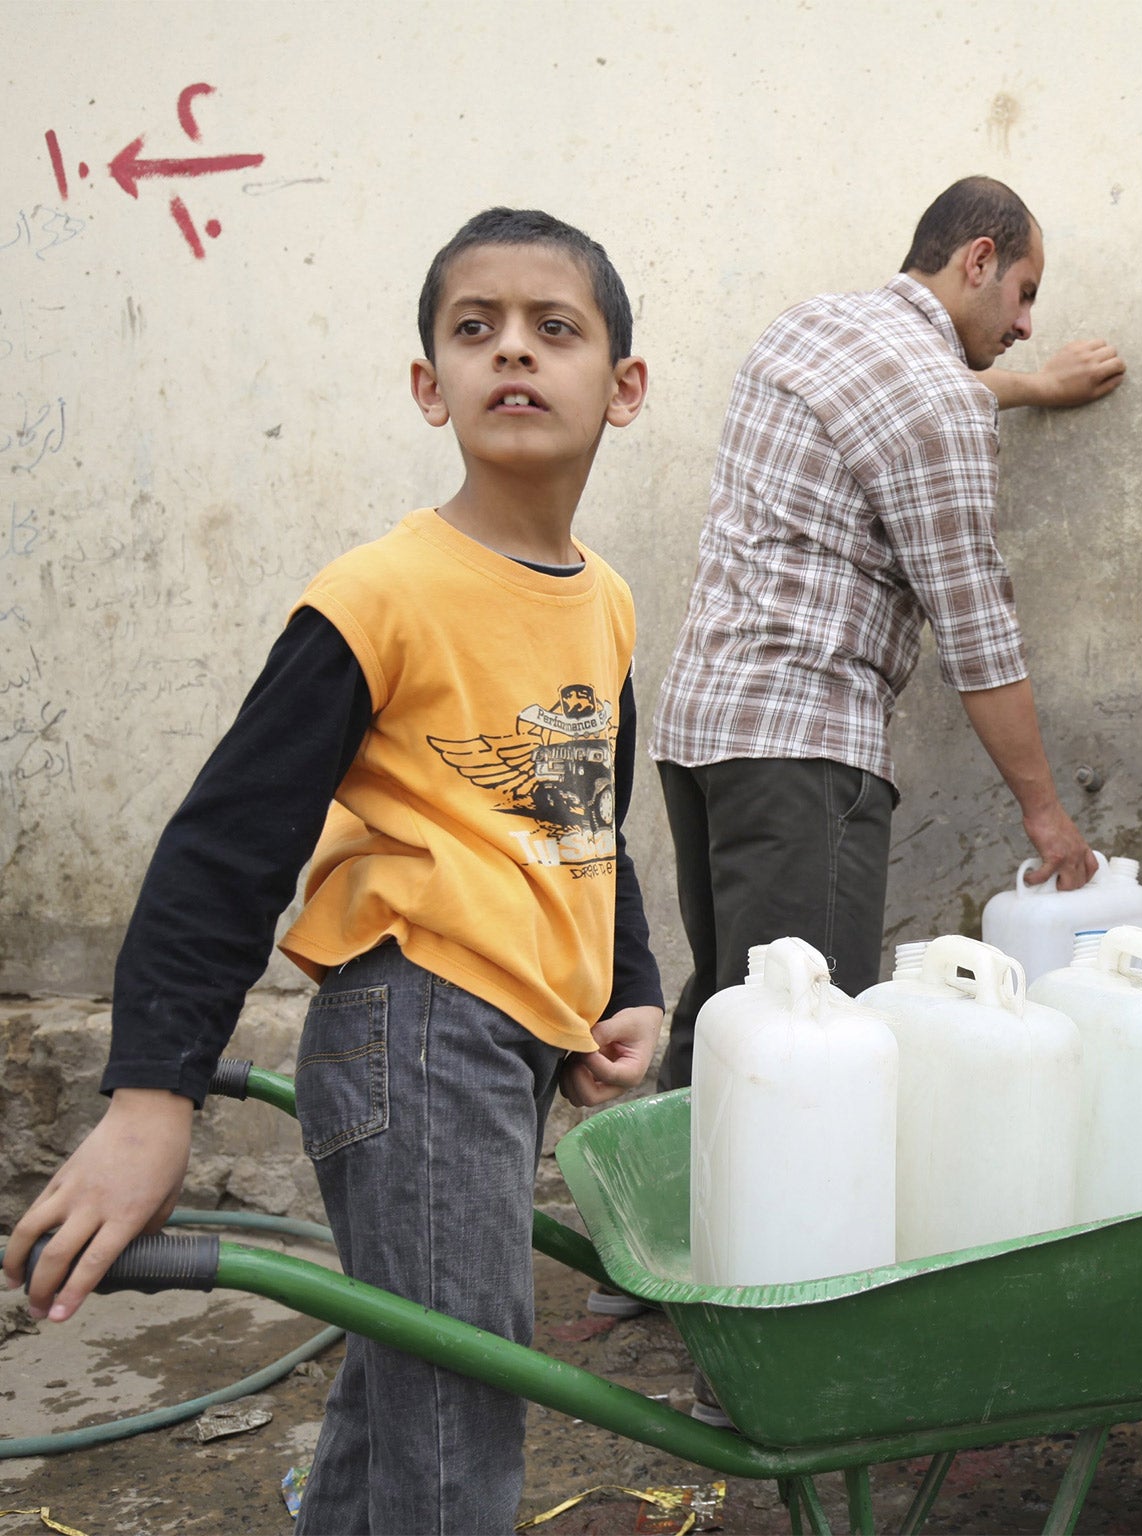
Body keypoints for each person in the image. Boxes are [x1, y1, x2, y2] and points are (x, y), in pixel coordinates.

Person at [1, 208, 665, 1534]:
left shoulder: (603, 599)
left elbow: (581, 817)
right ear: (430, 385)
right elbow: (225, 847)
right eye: (475, 330)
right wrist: (153, 1098)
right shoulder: (381, 595)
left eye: (556, 328)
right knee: (457, 1404)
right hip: (416, 1028)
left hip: (502, 1045)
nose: (513, 354)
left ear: (623, 387)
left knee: (420, 1372)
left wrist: (625, 980)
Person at [649, 175, 1116, 1099]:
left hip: (701, 740)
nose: (1026, 324)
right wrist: (1047, 818)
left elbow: (912, 404)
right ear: (978, 261)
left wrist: (1032, 387)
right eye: (1025, 293)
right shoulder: (937, 408)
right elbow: (979, 641)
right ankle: (782, 1243)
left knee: (731, 1017)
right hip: (804, 754)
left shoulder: (808, 329)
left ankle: (669, 1226)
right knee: (807, 1050)